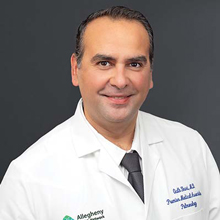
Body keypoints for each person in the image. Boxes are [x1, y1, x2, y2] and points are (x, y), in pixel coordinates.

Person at [0, 6, 219, 220]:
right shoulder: (27, 178)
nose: (120, 81)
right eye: (104, 63)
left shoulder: (190, 146)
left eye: (134, 64)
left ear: (150, 73)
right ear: (75, 70)